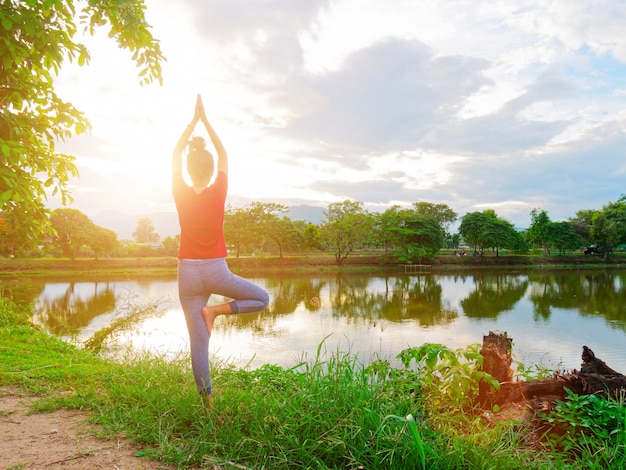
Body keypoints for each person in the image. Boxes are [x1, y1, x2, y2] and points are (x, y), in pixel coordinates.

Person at [172, 95, 269, 406]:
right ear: (211, 170)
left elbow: (175, 153)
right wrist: (206, 121)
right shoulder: (219, 190)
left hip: (186, 274)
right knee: (262, 299)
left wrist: (191, 125)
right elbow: (223, 152)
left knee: (198, 343)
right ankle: (214, 311)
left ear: (188, 169)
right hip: (215, 270)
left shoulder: (180, 190)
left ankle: (208, 405)